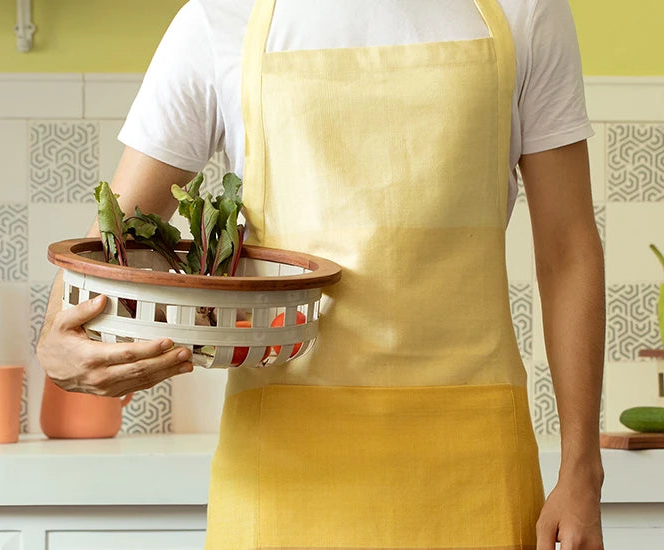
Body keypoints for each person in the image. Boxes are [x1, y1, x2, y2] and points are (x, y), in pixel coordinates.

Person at [37, 0, 606, 548]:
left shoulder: (526, 10)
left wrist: (583, 472)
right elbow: (116, 232)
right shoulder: (217, 19)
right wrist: (54, 343)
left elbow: (568, 249)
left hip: (473, 456)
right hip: (282, 462)